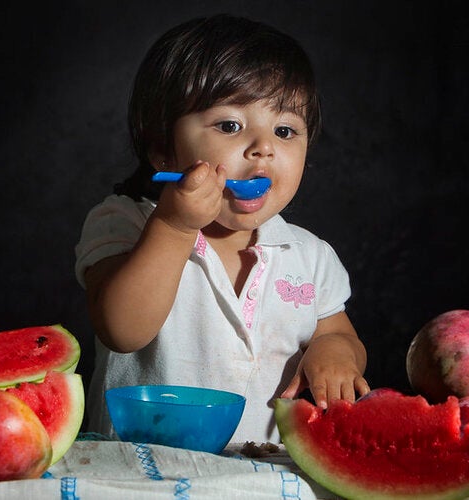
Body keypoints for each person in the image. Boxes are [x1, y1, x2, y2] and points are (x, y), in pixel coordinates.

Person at [74, 14, 370, 443]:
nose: (264, 148)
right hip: (144, 476)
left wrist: (337, 351)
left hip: (269, 477)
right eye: (230, 125)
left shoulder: (310, 256)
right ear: (162, 149)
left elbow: (339, 332)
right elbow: (122, 329)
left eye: (285, 130)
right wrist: (174, 227)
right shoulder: (125, 221)